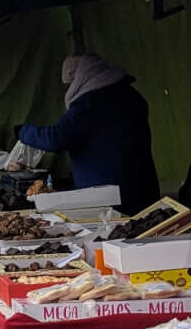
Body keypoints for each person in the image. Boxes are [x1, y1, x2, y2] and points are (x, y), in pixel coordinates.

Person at [13, 53, 159, 214]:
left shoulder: (91, 103)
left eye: (70, 83)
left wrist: (23, 131)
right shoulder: (130, 95)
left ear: (82, 77)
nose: (69, 89)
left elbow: (57, 138)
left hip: (111, 195)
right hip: (143, 187)